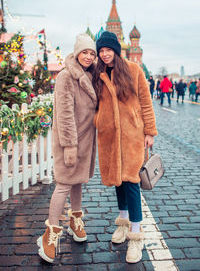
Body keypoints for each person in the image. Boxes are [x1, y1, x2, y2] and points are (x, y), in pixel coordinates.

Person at [93, 31, 158, 264]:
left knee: (131, 183)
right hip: (109, 136)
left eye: (108, 49)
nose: (105, 54)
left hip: (132, 136)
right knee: (117, 182)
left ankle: (136, 234)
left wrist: (149, 131)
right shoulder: (98, 74)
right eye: (101, 51)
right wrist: (98, 121)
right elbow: (95, 105)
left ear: (116, 50)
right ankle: (122, 223)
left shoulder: (133, 70)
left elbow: (145, 101)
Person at [37, 33, 97, 263]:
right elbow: (63, 115)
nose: (89, 56)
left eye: (92, 53)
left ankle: (75, 220)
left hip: (86, 141)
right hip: (69, 141)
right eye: (85, 52)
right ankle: (50, 233)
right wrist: (70, 146)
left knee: (78, 181)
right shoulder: (66, 76)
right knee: (63, 185)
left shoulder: (90, 76)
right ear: (77, 52)